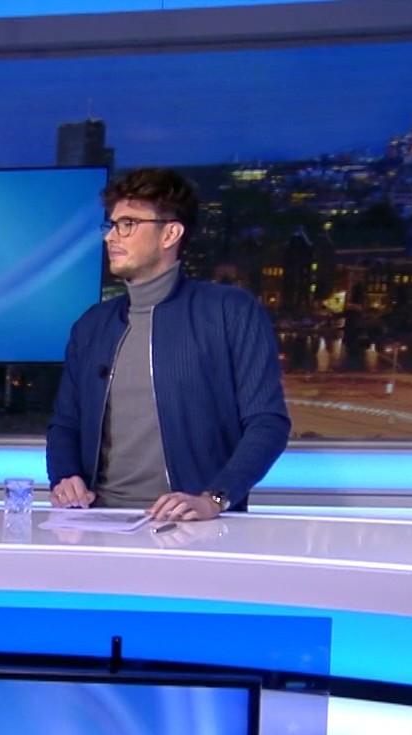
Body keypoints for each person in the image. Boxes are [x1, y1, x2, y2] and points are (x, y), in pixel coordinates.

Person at [46, 168, 289, 522]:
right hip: (98, 521)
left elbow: (268, 422)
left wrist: (214, 499)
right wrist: (65, 476)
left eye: (128, 224)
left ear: (170, 233)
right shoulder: (92, 325)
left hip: (192, 524)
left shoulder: (230, 311)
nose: (111, 237)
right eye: (111, 225)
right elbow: (65, 424)